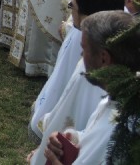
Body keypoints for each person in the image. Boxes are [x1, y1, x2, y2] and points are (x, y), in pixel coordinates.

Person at [41, 11, 137, 165]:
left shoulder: (127, 129)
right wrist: (73, 138)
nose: (80, 54)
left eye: (84, 48)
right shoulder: (116, 98)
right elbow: (94, 138)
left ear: (103, 58)